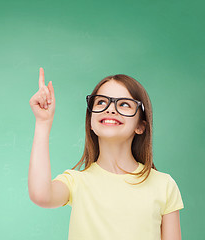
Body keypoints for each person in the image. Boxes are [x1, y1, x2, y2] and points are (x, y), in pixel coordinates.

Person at [28, 67, 184, 240]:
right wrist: (43, 122)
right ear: (91, 123)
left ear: (141, 126)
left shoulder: (164, 185)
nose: (110, 109)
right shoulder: (76, 182)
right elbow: (41, 195)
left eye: (124, 104)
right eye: (101, 102)